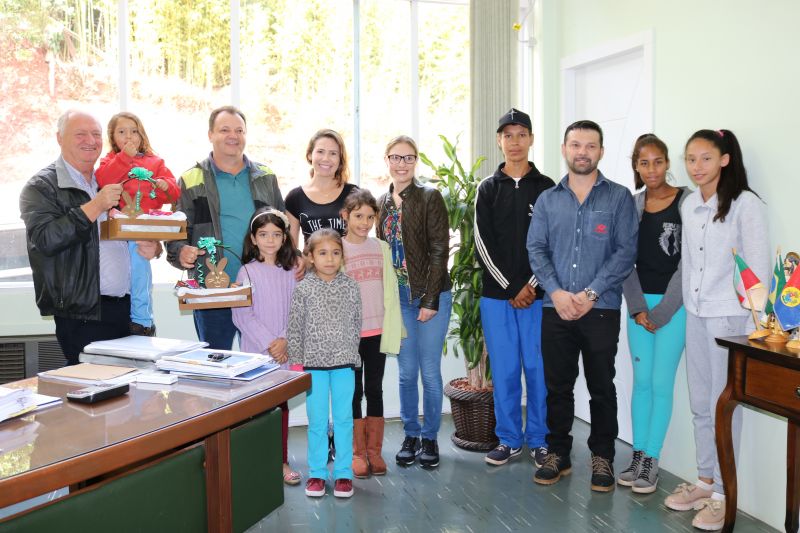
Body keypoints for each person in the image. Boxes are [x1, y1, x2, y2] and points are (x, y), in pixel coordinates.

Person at [664, 129, 769, 531]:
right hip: (696, 313)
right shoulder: (690, 204)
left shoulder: (745, 205)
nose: (697, 166)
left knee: (722, 406)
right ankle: (705, 481)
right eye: (690, 159)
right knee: (699, 402)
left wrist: (754, 324)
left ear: (724, 159)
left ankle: (725, 495)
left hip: (730, 319)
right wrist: (688, 304)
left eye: (705, 158)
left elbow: (756, 268)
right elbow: (688, 264)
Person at [527, 120, 638, 492]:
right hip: (554, 308)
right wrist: (557, 293)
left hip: (601, 308)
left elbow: (625, 252)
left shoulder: (619, 197)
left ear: (601, 151)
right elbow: (536, 249)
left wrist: (591, 293)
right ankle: (558, 453)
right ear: (564, 149)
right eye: (576, 145)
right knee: (557, 386)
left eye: (591, 146)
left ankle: (602, 456)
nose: (583, 152)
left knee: (601, 385)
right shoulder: (548, 199)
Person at [20, 110, 159, 365]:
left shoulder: (110, 178)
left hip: (128, 309)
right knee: (92, 385)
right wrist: (95, 205)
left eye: (96, 134)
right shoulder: (41, 187)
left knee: (132, 386)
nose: (91, 141)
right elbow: (45, 239)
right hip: (83, 314)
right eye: (80, 134)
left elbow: (132, 229)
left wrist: (153, 246)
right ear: (59, 138)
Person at [166, 106, 286, 350]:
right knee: (216, 361)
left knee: (264, 361)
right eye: (224, 130)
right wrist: (181, 252)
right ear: (210, 134)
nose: (233, 136)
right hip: (212, 292)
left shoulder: (266, 177)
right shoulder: (191, 179)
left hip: (260, 291)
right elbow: (175, 231)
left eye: (239, 130)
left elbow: (283, 227)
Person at [475, 108, 554, 469]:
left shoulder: (548, 188)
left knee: (538, 370)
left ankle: (539, 439)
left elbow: (552, 243)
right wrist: (511, 288)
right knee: (505, 371)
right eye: (508, 135)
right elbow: (482, 244)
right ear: (499, 141)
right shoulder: (487, 189)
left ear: (531, 139)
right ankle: (508, 439)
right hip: (497, 298)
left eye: (522, 134)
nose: (515, 142)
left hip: (538, 298)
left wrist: (531, 285)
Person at [376, 135, 452, 470]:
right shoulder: (381, 202)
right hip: (399, 301)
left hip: (431, 297)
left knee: (430, 373)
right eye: (396, 157)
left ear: (416, 161)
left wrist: (430, 299)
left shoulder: (429, 197)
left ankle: (430, 437)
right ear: (387, 160)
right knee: (407, 373)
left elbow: (439, 250)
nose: (402, 164)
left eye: (408, 158)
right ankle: (411, 435)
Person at [617, 134, 687, 494]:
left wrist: (662, 311)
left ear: (667, 162)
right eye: (644, 163)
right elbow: (624, 259)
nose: (652, 169)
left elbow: (690, 263)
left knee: (661, 384)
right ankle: (638, 455)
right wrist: (639, 308)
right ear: (636, 166)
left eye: (658, 161)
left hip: (674, 309)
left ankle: (652, 460)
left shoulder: (687, 202)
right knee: (641, 382)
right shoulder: (633, 205)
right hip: (640, 309)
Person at [287, 228, 362, 499]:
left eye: (335, 253)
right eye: (322, 253)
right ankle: (317, 473)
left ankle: (343, 474)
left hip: (344, 364)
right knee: (317, 422)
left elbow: (356, 323)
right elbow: (295, 328)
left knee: (344, 420)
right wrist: (297, 362)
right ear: (310, 256)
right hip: (313, 367)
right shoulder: (303, 289)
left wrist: (352, 354)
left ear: (342, 256)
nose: (329, 259)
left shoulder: (351, 287)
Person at [231, 207, 301, 487]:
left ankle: (281, 461)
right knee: (255, 409)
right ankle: (255, 462)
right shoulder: (246, 271)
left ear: (284, 237)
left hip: (285, 350)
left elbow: (298, 309)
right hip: (256, 353)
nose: (270, 240)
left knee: (279, 408)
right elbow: (242, 315)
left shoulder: (293, 271)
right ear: (253, 238)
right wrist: (269, 343)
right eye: (263, 234)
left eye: (276, 234)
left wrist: (284, 340)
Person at [96, 111, 179, 337]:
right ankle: (137, 319)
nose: (129, 136)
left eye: (134, 131)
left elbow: (174, 193)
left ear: (142, 135)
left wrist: (165, 186)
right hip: (119, 227)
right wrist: (124, 157)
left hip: (144, 228)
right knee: (122, 277)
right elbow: (103, 180)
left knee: (140, 271)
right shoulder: (110, 161)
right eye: (122, 132)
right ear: (113, 138)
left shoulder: (155, 162)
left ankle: (142, 321)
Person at [340, 189, 402, 478]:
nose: (364, 223)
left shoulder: (381, 248)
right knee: (353, 391)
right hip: (349, 335)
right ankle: (356, 452)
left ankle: (374, 452)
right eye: (358, 216)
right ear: (345, 216)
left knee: (374, 389)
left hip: (377, 331)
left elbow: (390, 289)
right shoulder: (337, 249)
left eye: (369, 217)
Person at [285, 129, 358, 247]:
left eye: (333, 153)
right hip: (310, 260)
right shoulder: (295, 198)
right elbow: (291, 249)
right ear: (310, 155)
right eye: (320, 151)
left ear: (340, 159)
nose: (326, 158)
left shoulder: (354, 194)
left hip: (350, 259)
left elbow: (362, 238)